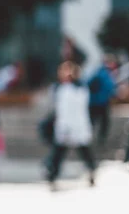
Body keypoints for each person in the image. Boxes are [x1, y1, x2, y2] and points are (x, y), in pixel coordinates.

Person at [45, 61, 96, 190]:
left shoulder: (79, 88)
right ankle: (52, 175)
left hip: (78, 124)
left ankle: (91, 171)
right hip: (64, 125)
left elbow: (80, 107)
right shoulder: (59, 88)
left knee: (84, 151)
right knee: (59, 153)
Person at [87, 54, 117, 146]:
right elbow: (110, 87)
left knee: (92, 121)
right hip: (102, 102)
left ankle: (87, 137)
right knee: (104, 122)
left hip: (92, 101)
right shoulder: (105, 74)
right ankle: (101, 139)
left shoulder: (96, 71)